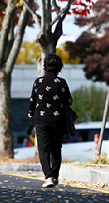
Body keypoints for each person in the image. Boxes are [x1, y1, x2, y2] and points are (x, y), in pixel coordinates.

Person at [28, 53, 73, 188]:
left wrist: (31, 112)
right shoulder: (61, 82)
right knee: (56, 148)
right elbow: (69, 101)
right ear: (59, 67)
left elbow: (32, 100)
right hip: (57, 119)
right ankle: (55, 176)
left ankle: (48, 177)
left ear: (45, 67)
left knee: (43, 148)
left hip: (41, 119)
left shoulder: (38, 82)